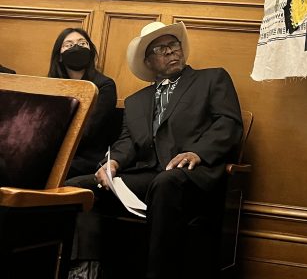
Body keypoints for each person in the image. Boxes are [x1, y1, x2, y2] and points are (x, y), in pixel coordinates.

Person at [66, 21, 243, 279]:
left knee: (165, 183)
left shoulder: (212, 78)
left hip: (194, 174)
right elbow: (127, 141)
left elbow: (228, 123)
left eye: (174, 45)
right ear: (148, 61)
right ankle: (84, 271)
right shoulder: (136, 101)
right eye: (161, 49)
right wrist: (112, 162)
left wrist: (198, 152)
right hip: (149, 174)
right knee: (79, 186)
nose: (170, 51)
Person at [48, 28, 118, 178]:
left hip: (87, 157)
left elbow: (89, 130)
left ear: (90, 51)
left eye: (82, 43)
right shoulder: (51, 85)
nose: (76, 48)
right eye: (69, 45)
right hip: (53, 152)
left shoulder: (104, 85)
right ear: (59, 56)